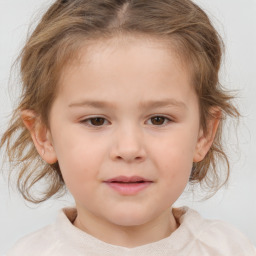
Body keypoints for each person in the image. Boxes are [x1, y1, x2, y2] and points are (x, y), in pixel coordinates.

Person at [1, 0, 255, 255]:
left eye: (158, 119)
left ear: (204, 134)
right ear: (44, 135)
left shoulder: (231, 248)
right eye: (96, 120)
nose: (129, 148)